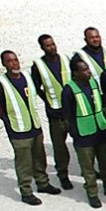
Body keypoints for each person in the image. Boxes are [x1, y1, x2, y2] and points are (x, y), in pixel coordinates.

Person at [0, 50, 60, 205]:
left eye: (15, 60)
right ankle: (26, 191)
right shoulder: (0, 84)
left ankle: (43, 183)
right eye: (9, 61)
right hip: (18, 130)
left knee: (39, 157)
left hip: (34, 126)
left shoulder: (27, 77)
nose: (14, 63)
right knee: (24, 163)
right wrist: (8, 121)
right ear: (4, 64)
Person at [62, 60, 106, 208]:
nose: (88, 72)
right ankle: (92, 193)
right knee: (88, 167)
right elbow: (67, 115)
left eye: (88, 69)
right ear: (75, 73)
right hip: (83, 134)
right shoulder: (69, 90)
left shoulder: (93, 83)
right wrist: (74, 132)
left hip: (100, 130)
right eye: (84, 70)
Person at [31, 34, 73, 190]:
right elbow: (36, 87)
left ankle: (89, 170)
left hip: (72, 110)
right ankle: (63, 175)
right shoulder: (39, 66)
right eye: (48, 45)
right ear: (42, 48)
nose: (52, 47)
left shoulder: (65, 59)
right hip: (56, 114)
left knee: (83, 144)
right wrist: (47, 99)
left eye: (53, 44)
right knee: (59, 147)